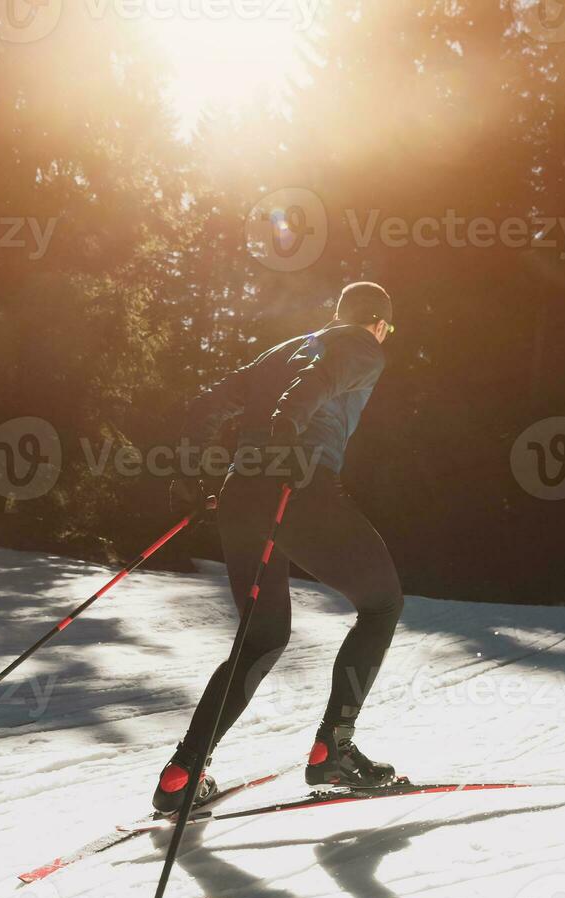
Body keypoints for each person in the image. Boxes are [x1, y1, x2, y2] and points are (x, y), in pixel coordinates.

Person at [153, 281, 404, 813]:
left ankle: (183, 771)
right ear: (378, 321)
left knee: (261, 638)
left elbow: (206, 405)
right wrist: (287, 435)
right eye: (385, 327)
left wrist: (193, 473)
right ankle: (333, 748)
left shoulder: (284, 348)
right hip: (297, 486)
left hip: (242, 496)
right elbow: (310, 390)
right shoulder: (363, 345)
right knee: (382, 604)